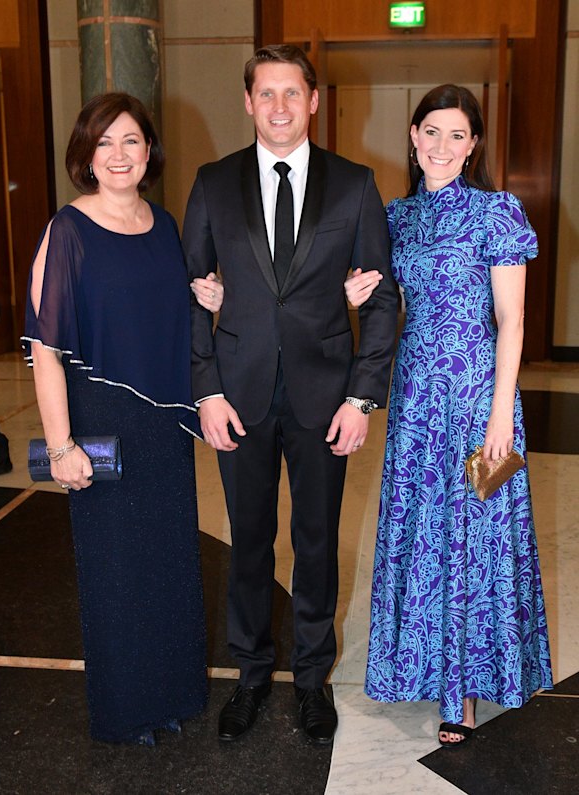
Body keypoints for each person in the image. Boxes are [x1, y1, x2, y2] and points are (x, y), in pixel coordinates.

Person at [182, 45, 398, 744]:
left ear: (313, 100)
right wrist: (206, 390)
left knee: (314, 541)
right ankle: (249, 674)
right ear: (247, 102)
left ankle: (311, 679)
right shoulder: (212, 183)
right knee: (248, 542)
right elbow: (187, 297)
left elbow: (385, 300)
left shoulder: (355, 185)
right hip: (237, 399)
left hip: (324, 397)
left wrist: (361, 398)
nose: (278, 106)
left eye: (291, 93)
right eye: (264, 93)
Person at [345, 84, 552, 746]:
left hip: (475, 398)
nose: (441, 145)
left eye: (457, 135)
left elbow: (512, 321)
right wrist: (353, 293)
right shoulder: (395, 217)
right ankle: (421, 670)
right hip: (416, 403)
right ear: (412, 135)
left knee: (472, 536)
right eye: (431, 131)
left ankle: (464, 689)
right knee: (424, 535)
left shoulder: (497, 213)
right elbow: (379, 302)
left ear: (474, 146)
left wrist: (500, 417)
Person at [21, 93, 222, 745]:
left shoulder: (164, 226)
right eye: (103, 142)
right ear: (85, 153)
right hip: (100, 420)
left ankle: (173, 692)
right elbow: (46, 348)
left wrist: (204, 295)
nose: (117, 154)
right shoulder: (68, 230)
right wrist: (60, 445)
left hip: (162, 427)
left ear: (149, 151)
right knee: (115, 571)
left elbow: (171, 309)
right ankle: (126, 708)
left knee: (166, 562)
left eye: (130, 140)